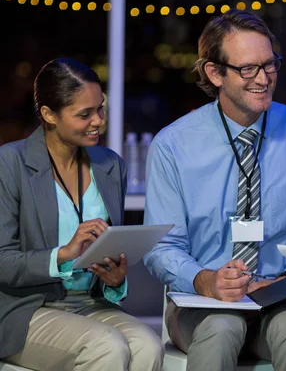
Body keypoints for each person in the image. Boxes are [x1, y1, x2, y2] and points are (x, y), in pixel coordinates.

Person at [143, 10, 286, 371]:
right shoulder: (173, 144)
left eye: (270, 65)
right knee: (222, 326)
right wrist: (204, 280)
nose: (263, 79)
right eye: (248, 69)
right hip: (201, 304)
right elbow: (161, 247)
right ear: (215, 73)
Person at [0, 58, 164, 370]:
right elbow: (2, 260)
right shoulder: (10, 164)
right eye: (84, 114)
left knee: (148, 346)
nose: (98, 121)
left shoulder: (110, 165)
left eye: (100, 108)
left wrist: (114, 279)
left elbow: (109, 255)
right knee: (107, 346)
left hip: (89, 304)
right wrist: (63, 254)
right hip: (24, 309)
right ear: (49, 114)